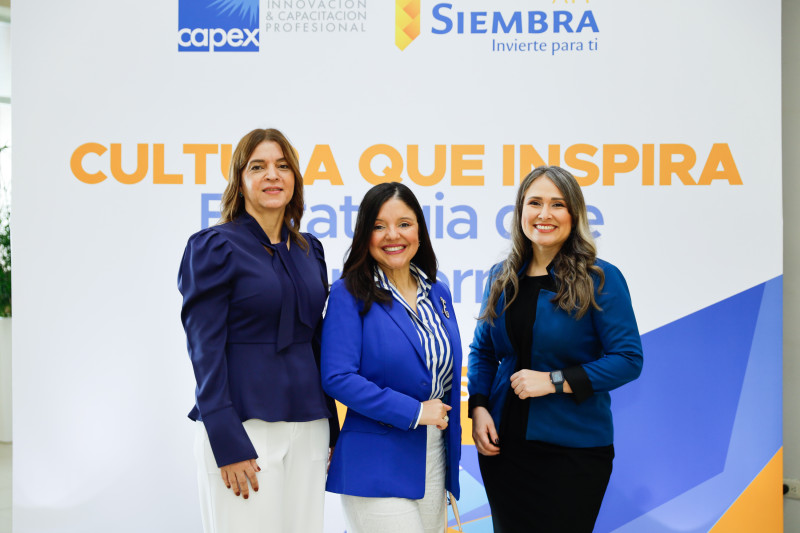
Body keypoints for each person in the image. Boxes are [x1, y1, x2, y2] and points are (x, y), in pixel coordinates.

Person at [178, 128, 339, 533]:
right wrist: (225, 438)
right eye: (259, 166)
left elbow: (318, 341)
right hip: (244, 428)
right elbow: (204, 349)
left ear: (295, 180)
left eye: (283, 166)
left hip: (309, 427)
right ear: (240, 179)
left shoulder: (309, 250)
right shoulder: (214, 247)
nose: (273, 175)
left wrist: (333, 427)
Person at [468, 166, 643, 533]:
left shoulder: (600, 278)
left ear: (573, 214)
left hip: (572, 453)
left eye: (557, 204)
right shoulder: (501, 275)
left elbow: (628, 360)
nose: (544, 214)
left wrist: (553, 380)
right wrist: (479, 408)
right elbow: (483, 351)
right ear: (520, 212)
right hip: (504, 449)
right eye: (535, 203)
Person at [320, 182, 462, 533]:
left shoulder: (437, 292)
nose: (392, 235)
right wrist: (414, 411)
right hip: (374, 464)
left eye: (404, 223)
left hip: (434, 458)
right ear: (364, 234)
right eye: (379, 226)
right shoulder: (347, 293)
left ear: (419, 230)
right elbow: (338, 377)